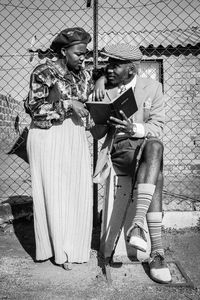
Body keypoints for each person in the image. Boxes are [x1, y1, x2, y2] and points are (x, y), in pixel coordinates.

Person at [91, 43, 172, 284]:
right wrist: (100, 120)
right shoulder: (104, 90)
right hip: (120, 152)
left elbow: (158, 126)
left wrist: (135, 128)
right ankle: (157, 251)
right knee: (155, 162)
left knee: (155, 147)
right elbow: (97, 135)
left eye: (115, 65)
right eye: (108, 65)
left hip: (144, 147)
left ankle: (138, 226)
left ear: (132, 69)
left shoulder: (153, 88)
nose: (110, 69)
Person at [24, 27, 94, 270]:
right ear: (63, 51)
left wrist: (101, 81)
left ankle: (73, 248)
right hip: (48, 136)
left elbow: (89, 98)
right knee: (55, 194)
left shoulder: (84, 75)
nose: (82, 58)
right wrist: (67, 104)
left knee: (76, 191)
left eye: (85, 54)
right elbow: (34, 109)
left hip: (74, 136)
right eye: (78, 54)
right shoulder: (43, 71)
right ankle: (58, 252)